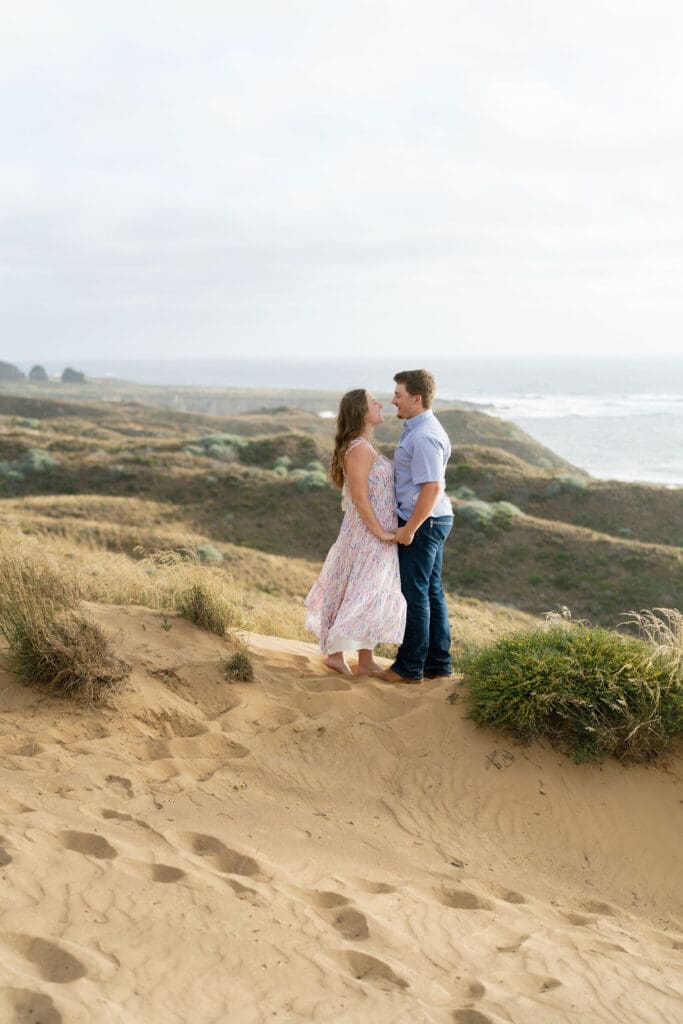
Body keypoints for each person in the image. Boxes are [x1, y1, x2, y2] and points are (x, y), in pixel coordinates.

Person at [305, 389, 407, 676]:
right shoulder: (359, 448)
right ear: (362, 411)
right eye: (374, 402)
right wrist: (381, 533)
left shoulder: (364, 446)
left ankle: (365, 660)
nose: (381, 404)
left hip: (370, 533)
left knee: (369, 591)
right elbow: (360, 498)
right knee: (361, 590)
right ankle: (336, 655)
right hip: (366, 535)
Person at [373, 369, 453, 684]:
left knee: (415, 593)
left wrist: (410, 529)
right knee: (431, 591)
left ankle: (409, 668)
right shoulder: (417, 428)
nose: (394, 400)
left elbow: (431, 487)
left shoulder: (424, 436)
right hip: (432, 519)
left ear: (416, 398)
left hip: (424, 522)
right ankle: (438, 665)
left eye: (399, 395)